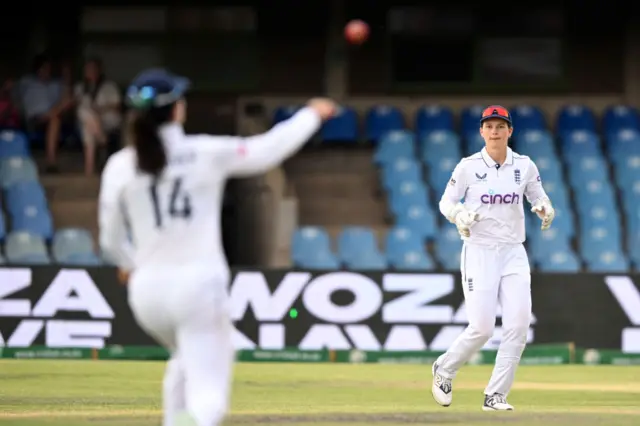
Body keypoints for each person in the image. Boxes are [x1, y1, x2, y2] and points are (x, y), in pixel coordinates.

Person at [98, 68, 336, 426]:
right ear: (177, 109)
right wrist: (311, 114)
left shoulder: (119, 166)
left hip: (146, 294)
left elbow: (109, 239)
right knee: (209, 398)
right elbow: (267, 150)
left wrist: (128, 264)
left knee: (184, 358)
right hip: (197, 287)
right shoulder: (204, 151)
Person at [431, 105, 555, 411]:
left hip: (513, 251)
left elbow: (537, 195)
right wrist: (458, 213)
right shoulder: (468, 167)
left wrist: (543, 207)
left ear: (510, 131)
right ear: (482, 132)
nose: (495, 131)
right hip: (479, 251)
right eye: (490, 126)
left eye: (501, 126)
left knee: (518, 325)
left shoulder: (524, 165)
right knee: (482, 328)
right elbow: (446, 202)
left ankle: (495, 395)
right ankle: (444, 369)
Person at [74, 57, 123, 175]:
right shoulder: (80, 88)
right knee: (84, 114)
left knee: (88, 123)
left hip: (108, 119)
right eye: (88, 69)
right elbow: (76, 105)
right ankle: (101, 138)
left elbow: (117, 106)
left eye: (93, 69)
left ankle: (89, 170)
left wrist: (100, 109)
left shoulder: (109, 86)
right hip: (90, 122)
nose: (91, 72)